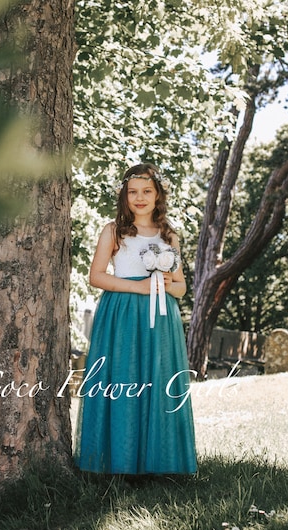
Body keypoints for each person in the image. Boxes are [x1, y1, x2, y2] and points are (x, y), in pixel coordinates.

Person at [74, 163, 197, 475]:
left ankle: (162, 462)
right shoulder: (114, 231)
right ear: (124, 196)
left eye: (147, 191)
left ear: (158, 195)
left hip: (162, 318)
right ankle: (119, 462)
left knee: (158, 381)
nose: (140, 198)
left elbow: (182, 287)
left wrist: (168, 284)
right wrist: (139, 287)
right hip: (123, 314)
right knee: (124, 380)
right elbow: (97, 276)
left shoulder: (170, 236)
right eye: (133, 192)